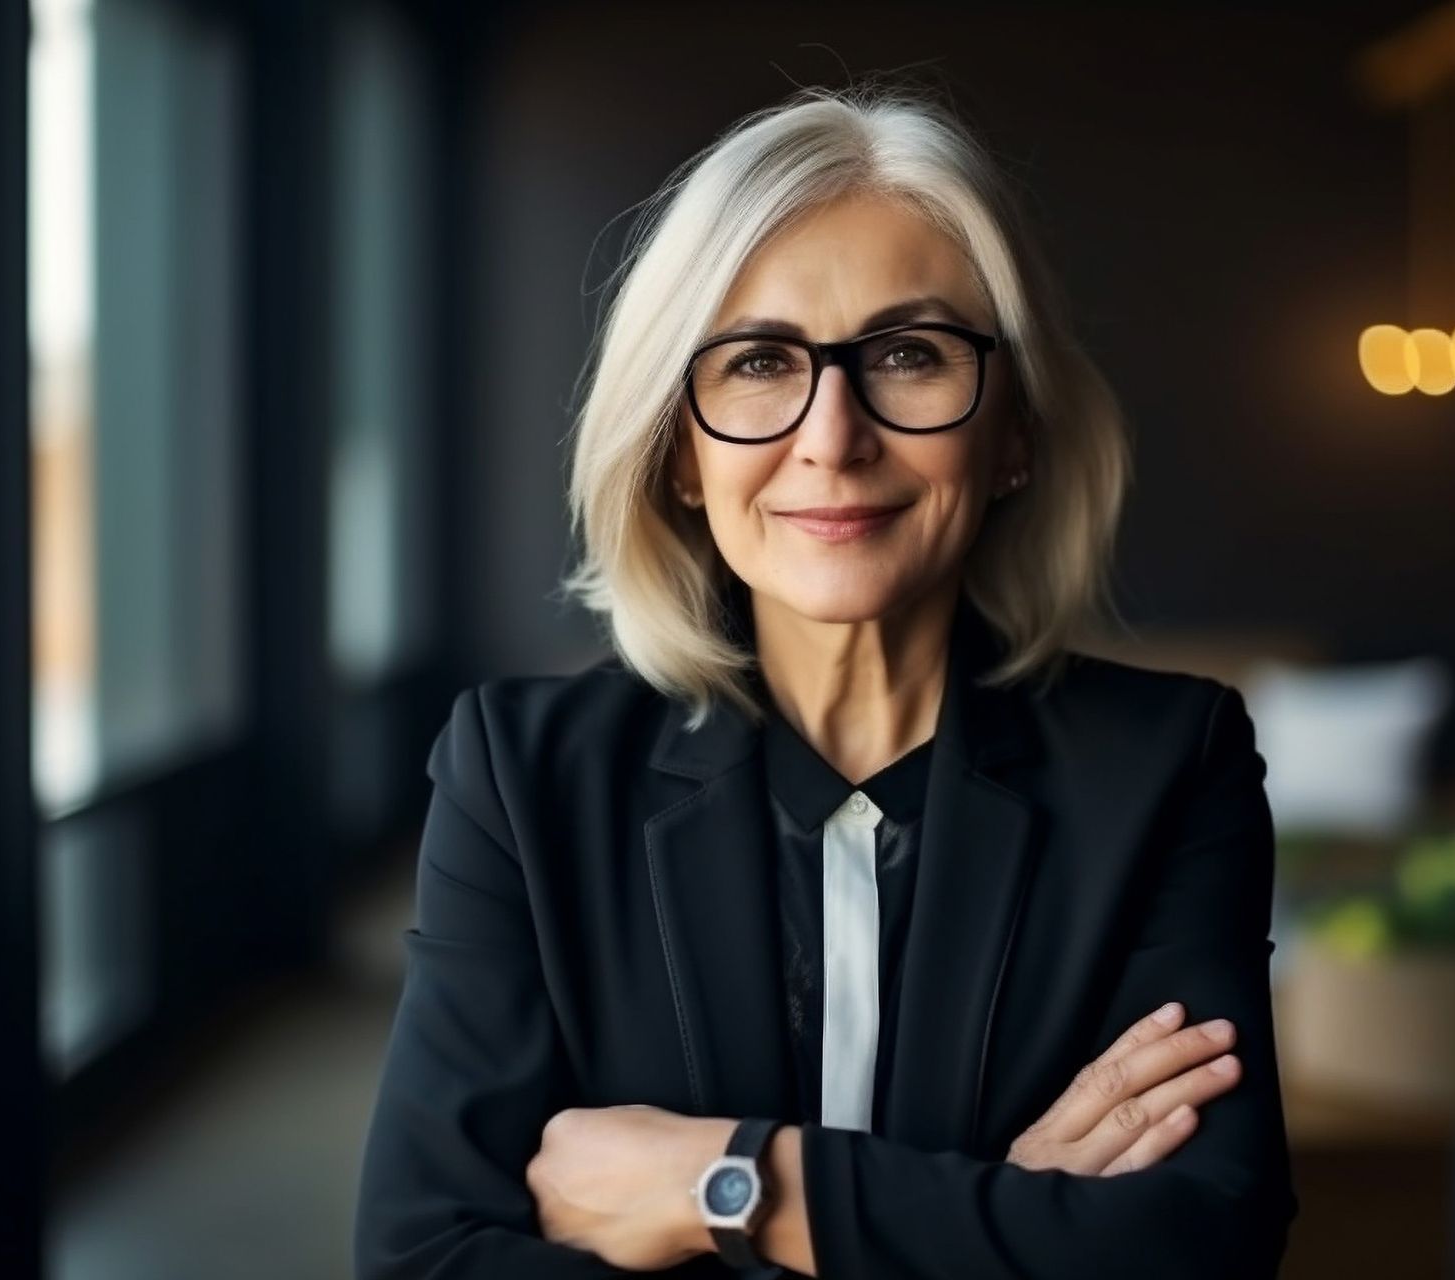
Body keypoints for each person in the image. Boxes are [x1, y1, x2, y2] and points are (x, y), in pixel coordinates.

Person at [353, 79, 1297, 1279]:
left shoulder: (1170, 765)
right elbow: (423, 1261)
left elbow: (1200, 1248)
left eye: (908, 354)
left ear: (1012, 432)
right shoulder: (521, 774)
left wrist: (726, 1184)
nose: (832, 436)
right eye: (757, 362)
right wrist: (1006, 1215)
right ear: (679, 452)